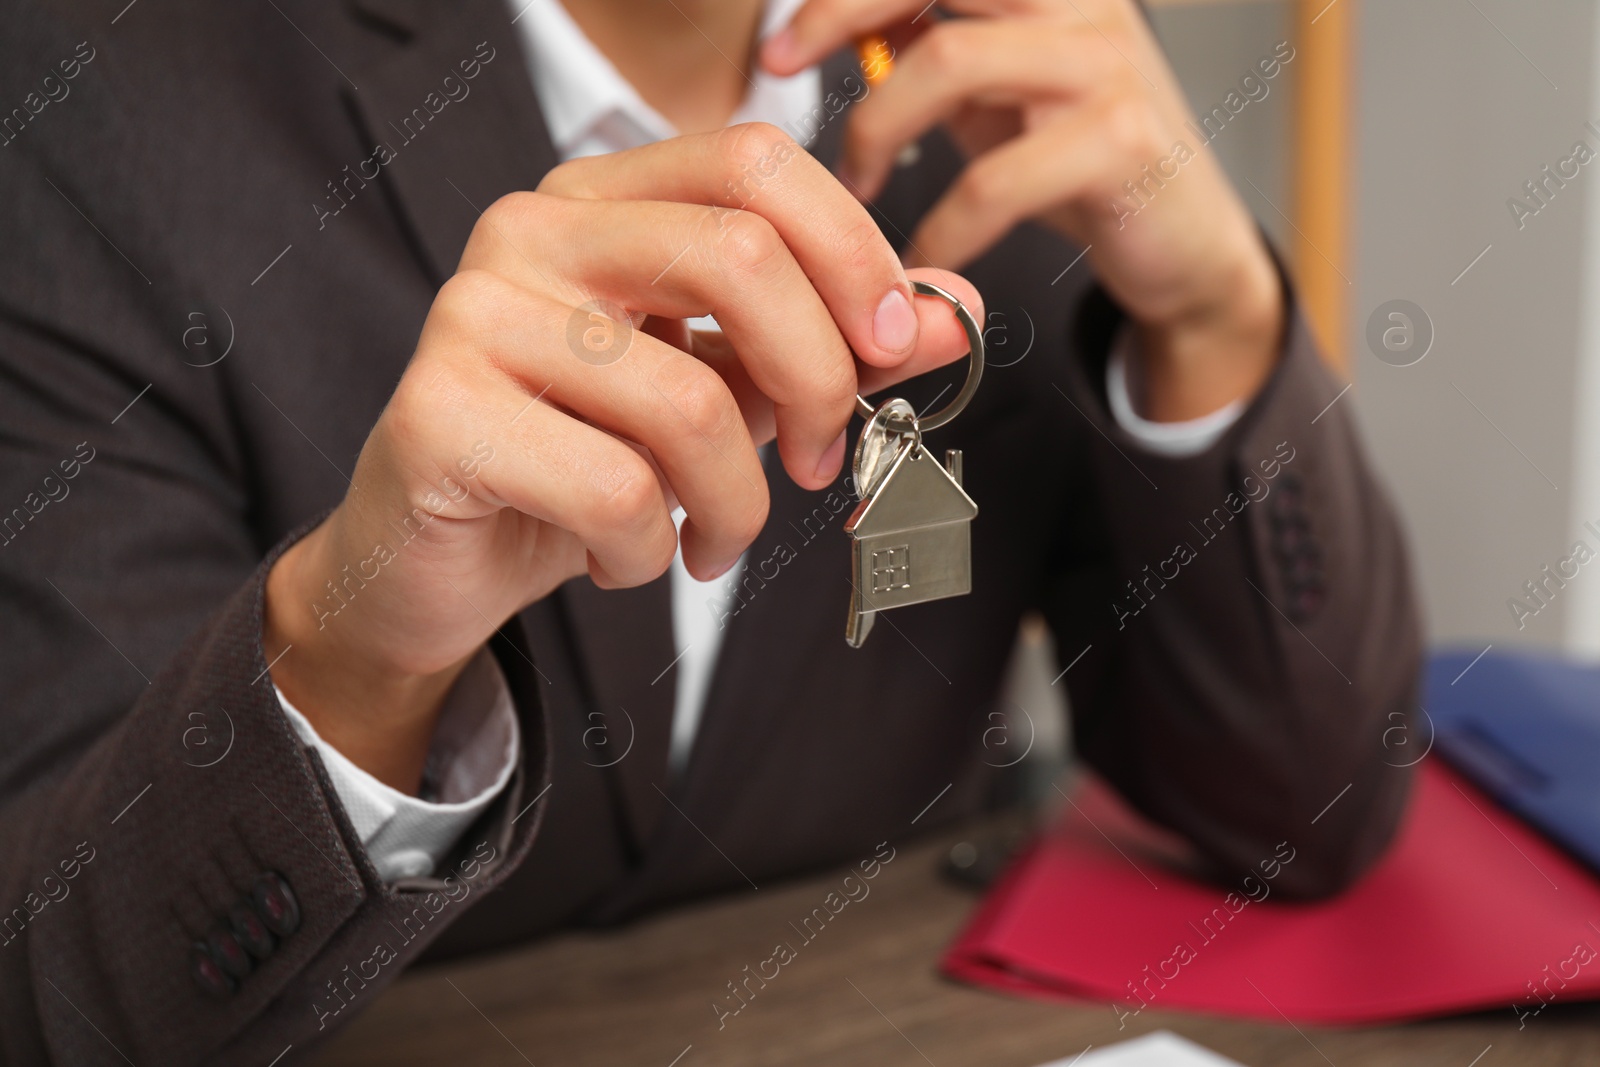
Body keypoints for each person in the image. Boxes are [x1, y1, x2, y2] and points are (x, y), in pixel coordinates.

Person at [0, 0, 1421, 1061]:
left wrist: (1215, 315)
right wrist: (351, 650)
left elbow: (1310, 814)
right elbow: (53, 996)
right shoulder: (94, 93)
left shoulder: (1003, 65)